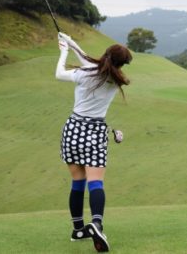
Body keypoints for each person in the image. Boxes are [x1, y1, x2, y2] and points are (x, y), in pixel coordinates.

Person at [55, 32, 132, 252]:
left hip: (72, 130)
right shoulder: (116, 80)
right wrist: (70, 42)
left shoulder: (84, 73)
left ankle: (78, 229)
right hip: (95, 132)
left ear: (106, 55)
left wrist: (63, 51)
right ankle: (96, 223)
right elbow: (88, 59)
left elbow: (60, 73)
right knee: (95, 182)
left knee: (77, 181)